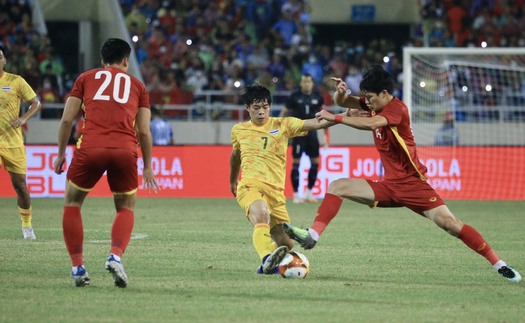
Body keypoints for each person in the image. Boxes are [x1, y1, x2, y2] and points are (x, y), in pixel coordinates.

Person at [284, 65, 522, 283]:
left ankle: (499, 263)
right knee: (337, 186)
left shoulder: (397, 109)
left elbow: (371, 124)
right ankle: (313, 235)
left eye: (370, 97)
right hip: (388, 186)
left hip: (413, 186)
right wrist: (341, 93)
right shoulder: (374, 102)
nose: (367, 102)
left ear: (385, 93)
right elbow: (345, 101)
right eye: (366, 96)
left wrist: (334, 117)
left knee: (451, 225)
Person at [53, 38, 159, 288]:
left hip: (91, 148)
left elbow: (67, 121)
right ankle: (115, 256)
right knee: (125, 207)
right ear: (126, 60)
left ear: (102, 60)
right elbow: (144, 132)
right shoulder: (138, 87)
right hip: (124, 150)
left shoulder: (85, 78)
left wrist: (60, 153)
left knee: (72, 202)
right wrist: (147, 166)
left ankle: (78, 267)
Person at [229, 83, 336, 275]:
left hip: (276, 193)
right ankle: (266, 259)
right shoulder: (239, 130)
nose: (261, 112)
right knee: (261, 215)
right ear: (247, 108)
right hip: (250, 185)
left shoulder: (283, 125)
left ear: (270, 106)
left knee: (286, 244)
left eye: (265, 107)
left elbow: (314, 123)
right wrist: (232, 180)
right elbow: (235, 156)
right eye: (256, 108)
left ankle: (266, 266)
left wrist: (341, 118)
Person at [0, 44, 42, 239]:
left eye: (0, 56)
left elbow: (36, 103)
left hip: (12, 142)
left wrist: (24, 118)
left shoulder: (16, 81)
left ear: (5, 60)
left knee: (20, 186)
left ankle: (27, 226)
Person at [279, 74, 329, 204]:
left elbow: (324, 116)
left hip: (312, 135)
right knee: (296, 163)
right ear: (301, 84)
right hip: (298, 134)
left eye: (308, 81)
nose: (306, 84)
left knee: (315, 163)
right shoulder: (294, 97)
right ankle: (296, 195)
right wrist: (279, 128)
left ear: (312, 83)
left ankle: (309, 193)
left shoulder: (318, 98)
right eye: (304, 81)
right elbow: (284, 112)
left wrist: (326, 136)